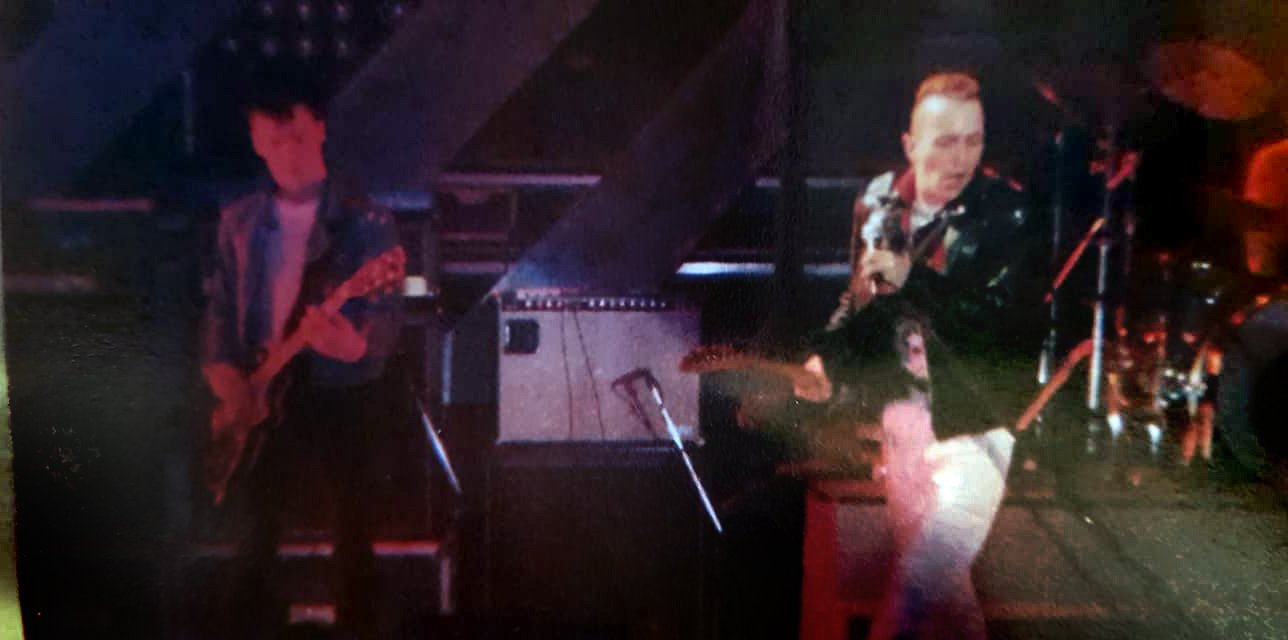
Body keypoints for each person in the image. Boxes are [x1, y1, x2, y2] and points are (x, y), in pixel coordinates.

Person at [797, 72, 1048, 639]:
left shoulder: (1007, 215)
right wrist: (826, 358)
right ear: (910, 145)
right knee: (951, 608)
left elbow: (998, 329)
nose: (962, 159)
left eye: (973, 141)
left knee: (911, 597)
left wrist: (916, 280)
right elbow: (859, 302)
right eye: (946, 142)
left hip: (975, 432)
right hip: (903, 431)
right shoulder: (881, 202)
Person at [200, 72, 403, 639]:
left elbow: (385, 314)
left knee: (353, 522)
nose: (286, 153)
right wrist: (228, 380)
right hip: (263, 384)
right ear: (255, 141)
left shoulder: (365, 221)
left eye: (295, 137)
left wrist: (352, 343)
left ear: (320, 129)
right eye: (272, 140)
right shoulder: (239, 221)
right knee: (255, 526)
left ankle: (357, 627)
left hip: (338, 389)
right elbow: (219, 308)